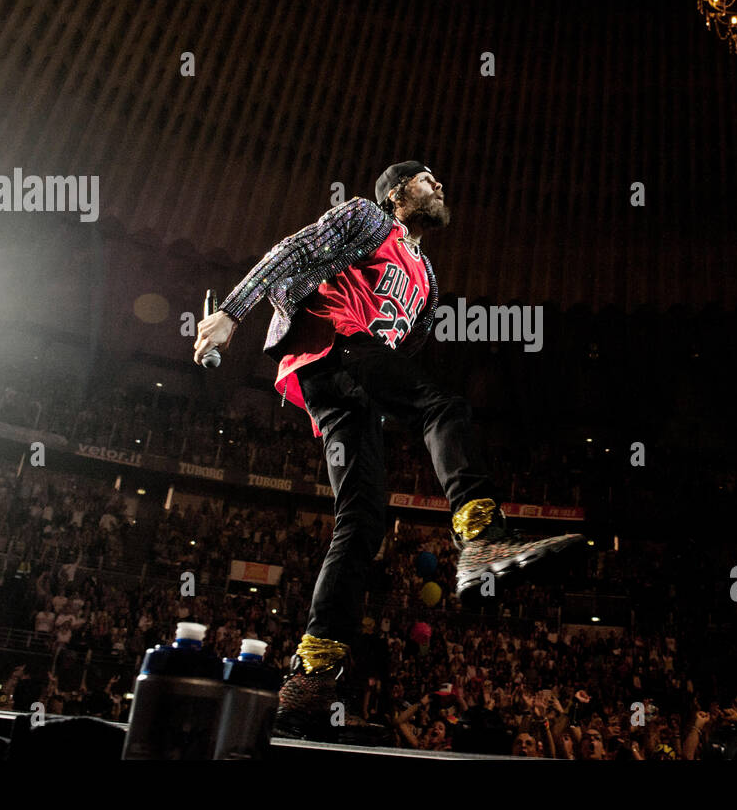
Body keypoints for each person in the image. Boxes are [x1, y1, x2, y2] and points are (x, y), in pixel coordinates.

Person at [193, 162, 584, 741]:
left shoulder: (427, 276)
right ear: (398, 192)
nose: (441, 184)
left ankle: (309, 679)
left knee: (363, 521)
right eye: (427, 179)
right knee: (445, 406)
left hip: (348, 390)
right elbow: (293, 251)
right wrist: (231, 311)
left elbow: (407, 347)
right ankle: (480, 539)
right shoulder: (366, 216)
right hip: (336, 344)